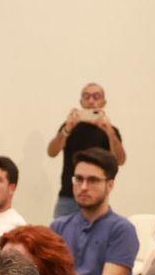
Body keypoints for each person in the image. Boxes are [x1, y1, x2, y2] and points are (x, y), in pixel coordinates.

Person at [50, 149, 139, 275]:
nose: (83, 187)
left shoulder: (122, 229)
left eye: (92, 180)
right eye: (79, 179)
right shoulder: (58, 226)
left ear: (110, 185)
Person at [46, 83, 126, 221]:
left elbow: (120, 160)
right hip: (68, 195)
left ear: (103, 102)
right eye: (86, 96)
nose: (91, 101)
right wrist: (66, 129)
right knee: (58, 240)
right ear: (81, 102)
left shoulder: (110, 131)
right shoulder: (69, 127)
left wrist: (109, 132)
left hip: (97, 197)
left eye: (96, 96)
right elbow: (52, 152)